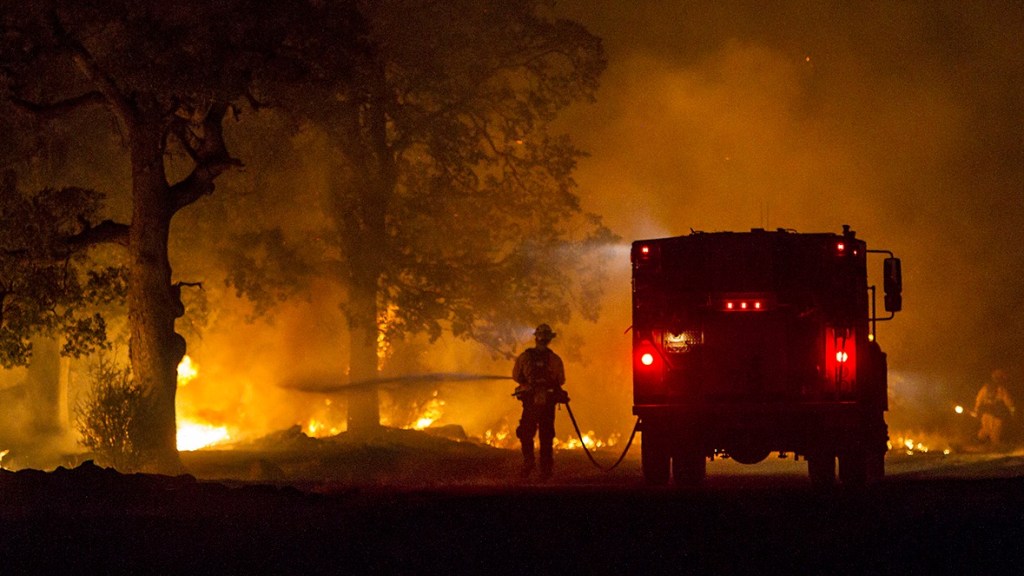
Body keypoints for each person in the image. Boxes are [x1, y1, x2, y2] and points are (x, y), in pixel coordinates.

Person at [512, 324, 568, 480]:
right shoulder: (555, 359)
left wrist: (527, 383)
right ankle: (546, 469)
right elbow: (561, 380)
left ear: (536, 338)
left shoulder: (524, 357)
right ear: (549, 340)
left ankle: (529, 462)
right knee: (546, 435)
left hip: (530, 403)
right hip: (548, 404)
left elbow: (516, 376)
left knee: (525, 432)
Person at [974, 368, 1016, 446]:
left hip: (989, 414)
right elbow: (1009, 401)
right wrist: (1012, 410)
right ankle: (989, 446)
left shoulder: (986, 388)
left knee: (987, 431)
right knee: (993, 433)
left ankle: (980, 444)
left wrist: (976, 410)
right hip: (994, 415)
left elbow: (978, 400)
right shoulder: (1000, 389)